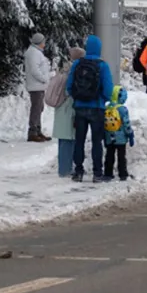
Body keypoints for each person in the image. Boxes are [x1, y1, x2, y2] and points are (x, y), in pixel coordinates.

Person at [67, 34, 114, 182]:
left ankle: (78, 171)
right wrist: (103, 100)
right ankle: (97, 173)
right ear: (99, 49)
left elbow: (69, 86)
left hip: (80, 107)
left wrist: (78, 97)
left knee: (79, 140)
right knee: (96, 141)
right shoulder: (103, 66)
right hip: (97, 108)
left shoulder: (77, 64)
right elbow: (108, 90)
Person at [50, 47, 84, 178]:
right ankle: (65, 170)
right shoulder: (72, 72)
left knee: (63, 141)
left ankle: (64, 168)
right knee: (67, 140)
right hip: (67, 110)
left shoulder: (64, 71)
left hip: (61, 110)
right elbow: (69, 92)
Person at [103, 85, 134, 182]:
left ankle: (108, 173)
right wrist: (130, 134)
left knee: (109, 155)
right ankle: (122, 174)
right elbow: (126, 124)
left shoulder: (107, 107)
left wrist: (104, 136)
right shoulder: (122, 109)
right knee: (121, 156)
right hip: (121, 138)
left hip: (109, 137)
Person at [24, 33, 52, 142]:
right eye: (43, 42)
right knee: (36, 108)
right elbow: (35, 70)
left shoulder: (36, 52)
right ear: (39, 42)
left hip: (38, 86)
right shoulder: (33, 53)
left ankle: (38, 130)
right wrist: (45, 79)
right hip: (36, 85)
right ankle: (33, 132)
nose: (44, 44)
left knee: (39, 108)